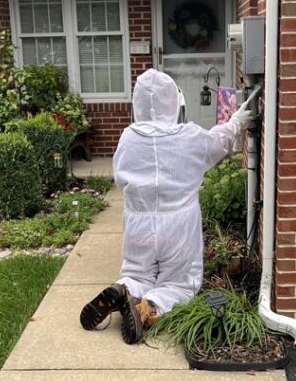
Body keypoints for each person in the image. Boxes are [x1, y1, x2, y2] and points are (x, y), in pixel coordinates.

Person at [80, 68, 253, 344]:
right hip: (179, 227)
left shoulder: (127, 137)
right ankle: (148, 307)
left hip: (139, 225)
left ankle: (123, 288)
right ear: (174, 104)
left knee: (138, 272)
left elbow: (119, 178)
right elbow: (218, 142)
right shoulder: (189, 136)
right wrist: (236, 122)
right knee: (180, 283)